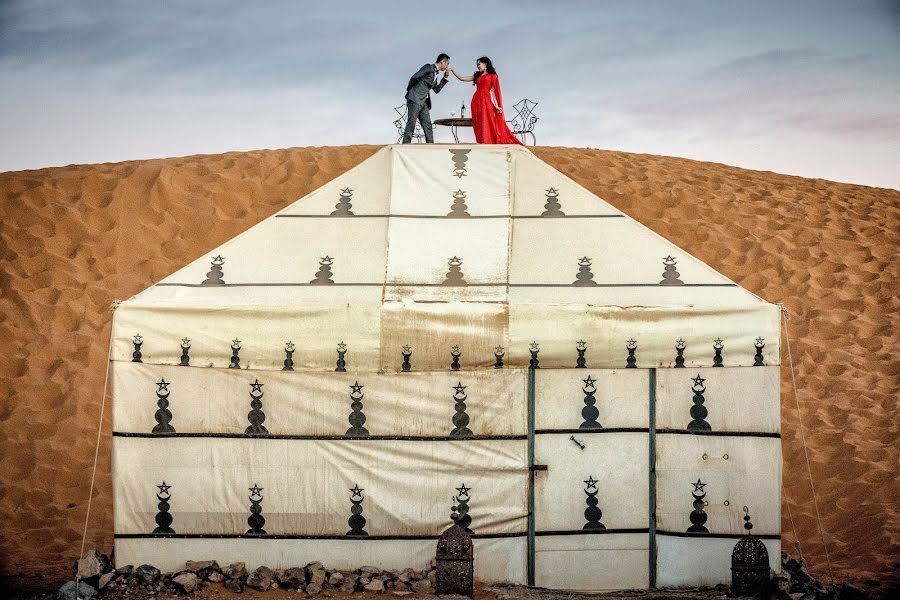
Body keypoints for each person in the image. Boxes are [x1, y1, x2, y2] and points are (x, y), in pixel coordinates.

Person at [451, 56, 522, 145]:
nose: (478, 66)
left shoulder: (493, 76)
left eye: (479, 64)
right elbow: (462, 78)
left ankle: (488, 141)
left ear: (485, 64)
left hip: (486, 100)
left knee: (488, 120)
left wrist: (496, 105)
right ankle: (481, 141)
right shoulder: (477, 75)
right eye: (477, 65)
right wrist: (452, 71)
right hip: (476, 101)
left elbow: (494, 92)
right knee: (478, 121)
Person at [403, 53, 450, 144]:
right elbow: (415, 77)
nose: (447, 66)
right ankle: (405, 145)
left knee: (428, 125)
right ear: (442, 62)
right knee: (411, 124)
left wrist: (444, 78)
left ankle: (430, 147)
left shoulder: (436, 74)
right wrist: (413, 91)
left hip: (424, 102)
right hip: (415, 99)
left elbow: (436, 89)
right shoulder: (429, 67)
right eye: (447, 63)